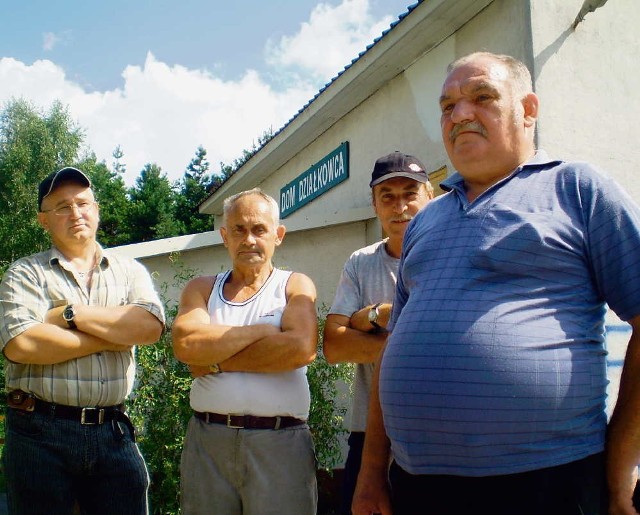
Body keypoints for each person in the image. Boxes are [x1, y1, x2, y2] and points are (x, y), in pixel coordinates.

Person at [352, 51, 640, 515]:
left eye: (481, 97)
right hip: (418, 484)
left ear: (528, 110)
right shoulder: (426, 220)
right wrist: (370, 476)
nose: (460, 114)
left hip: (548, 484)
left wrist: (623, 460)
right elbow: (394, 347)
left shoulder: (578, 190)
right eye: (447, 106)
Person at [0, 166, 166, 514]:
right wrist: (115, 336)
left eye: (82, 203)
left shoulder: (130, 270)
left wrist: (68, 315)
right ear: (43, 220)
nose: (75, 213)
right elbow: (22, 345)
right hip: (39, 434)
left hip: (114, 435)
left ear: (97, 209)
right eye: (62, 206)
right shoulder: (24, 273)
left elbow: (149, 328)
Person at [172, 188, 319, 515]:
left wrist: (215, 362)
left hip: (280, 444)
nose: (248, 239)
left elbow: (300, 348)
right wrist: (262, 332)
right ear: (224, 236)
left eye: (259, 229)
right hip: (208, 442)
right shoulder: (202, 288)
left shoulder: (294, 286)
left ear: (278, 235)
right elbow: (186, 344)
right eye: (239, 229)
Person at [323, 151, 433, 514]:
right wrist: (377, 313)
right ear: (374, 204)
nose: (399, 206)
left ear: (429, 196)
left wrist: (364, 324)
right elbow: (335, 346)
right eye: (388, 196)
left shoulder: (447, 256)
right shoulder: (361, 262)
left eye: (409, 194)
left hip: (438, 432)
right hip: (368, 433)